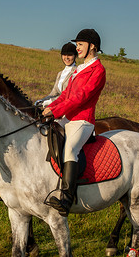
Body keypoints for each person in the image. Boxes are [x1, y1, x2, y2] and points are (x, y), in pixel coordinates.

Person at [43, 29, 106, 217]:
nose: (77, 48)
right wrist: (48, 109)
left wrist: (54, 111)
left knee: (70, 148)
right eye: (77, 45)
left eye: (80, 44)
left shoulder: (98, 70)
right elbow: (65, 95)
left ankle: (67, 197)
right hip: (67, 117)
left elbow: (81, 97)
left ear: (92, 46)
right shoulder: (78, 70)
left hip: (83, 120)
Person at [35, 42, 78, 109]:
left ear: (75, 56)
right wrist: (42, 100)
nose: (66, 57)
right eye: (64, 55)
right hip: (58, 106)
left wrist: (50, 101)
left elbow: (69, 95)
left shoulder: (76, 72)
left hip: (69, 107)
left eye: (69, 55)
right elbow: (53, 94)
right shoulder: (60, 74)